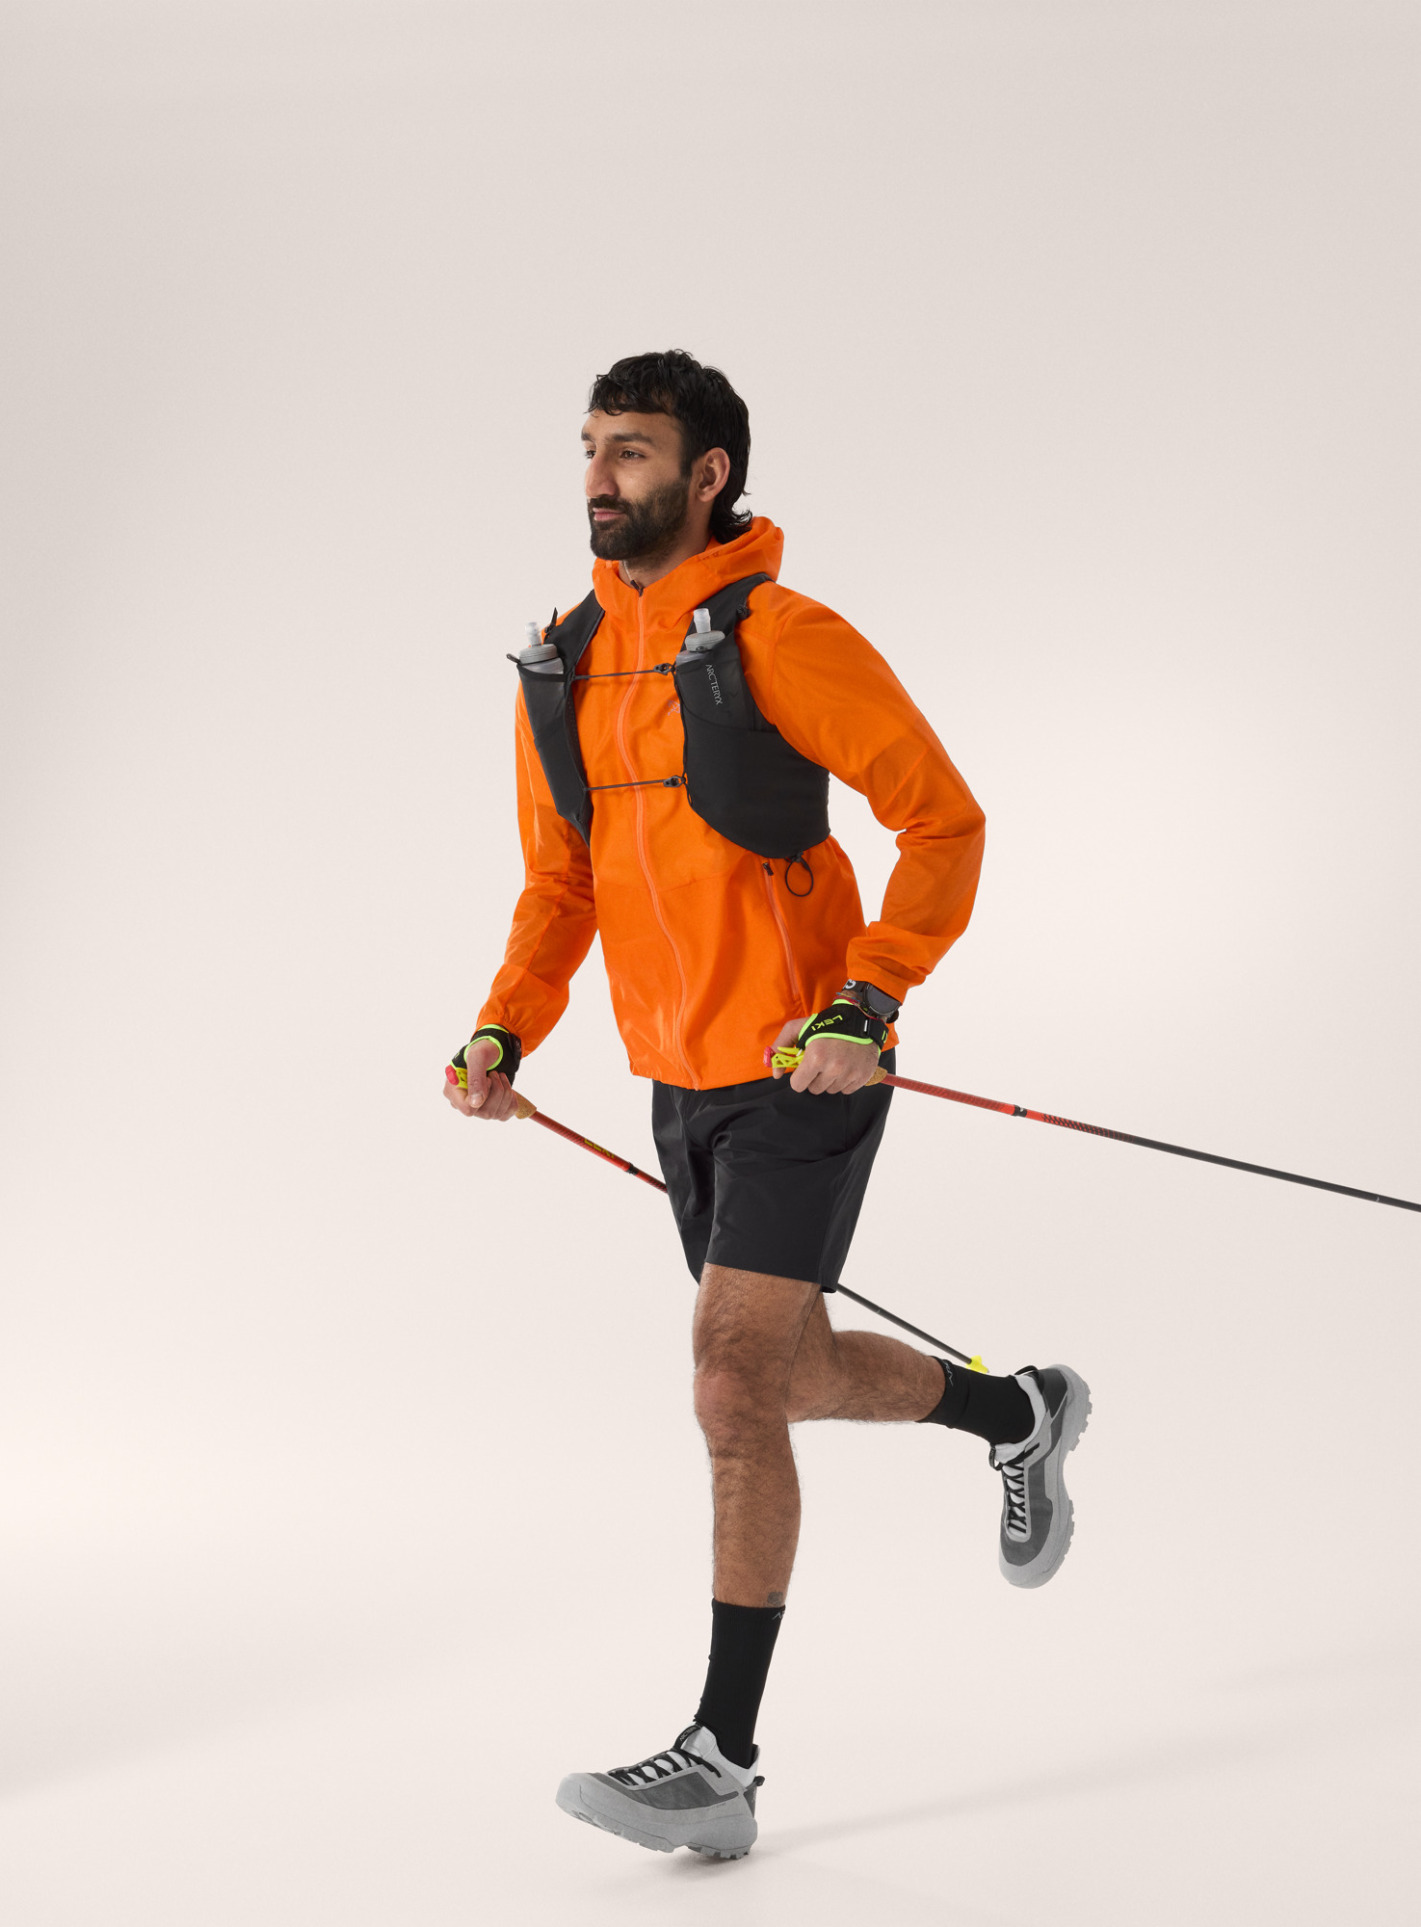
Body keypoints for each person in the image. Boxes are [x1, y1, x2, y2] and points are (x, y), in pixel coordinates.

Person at [444, 350, 1089, 1861]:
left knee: (729, 1387)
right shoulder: (564, 664)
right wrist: (503, 1024)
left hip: (806, 1065)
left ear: (709, 473)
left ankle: (720, 1759)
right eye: (590, 448)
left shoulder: (785, 638)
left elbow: (941, 821)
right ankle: (1021, 1411)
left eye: (632, 450)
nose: (600, 477)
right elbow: (559, 883)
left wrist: (869, 998)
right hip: (674, 1079)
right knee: (784, 1373)